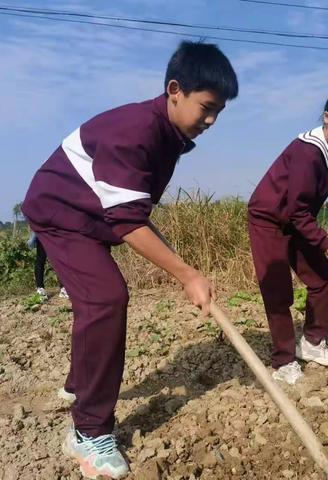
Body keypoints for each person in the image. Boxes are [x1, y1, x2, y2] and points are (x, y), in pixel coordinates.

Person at [22, 41, 238, 479]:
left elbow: (131, 209)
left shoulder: (169, 135)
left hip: (91, 214)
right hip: (61, 211)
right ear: (175, 89)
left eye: (220, 111)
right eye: (207, 107)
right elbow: (126, 220)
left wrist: (182, 268)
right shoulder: (137, 129)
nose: (212, 120)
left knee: (96, 300)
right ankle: (88, 431)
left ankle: (79, 384)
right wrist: (187, 273)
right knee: (105, 298)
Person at [248, 88, 328, 385]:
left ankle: (312, 343)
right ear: (327, 117)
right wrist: (326, 243)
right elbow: (297, 208)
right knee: (278, 292)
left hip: (295, 222)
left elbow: (300, 213)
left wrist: (320, 245)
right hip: (269, 221)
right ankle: (284, 361)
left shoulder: (326, 152)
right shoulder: (307, 152)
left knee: (322, 277)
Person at [27, 232, 69, 299]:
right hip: (42, 233)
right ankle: (40, 289)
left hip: (55, 232)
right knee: (41, 259)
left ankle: (63, 288)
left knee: (59, 260)